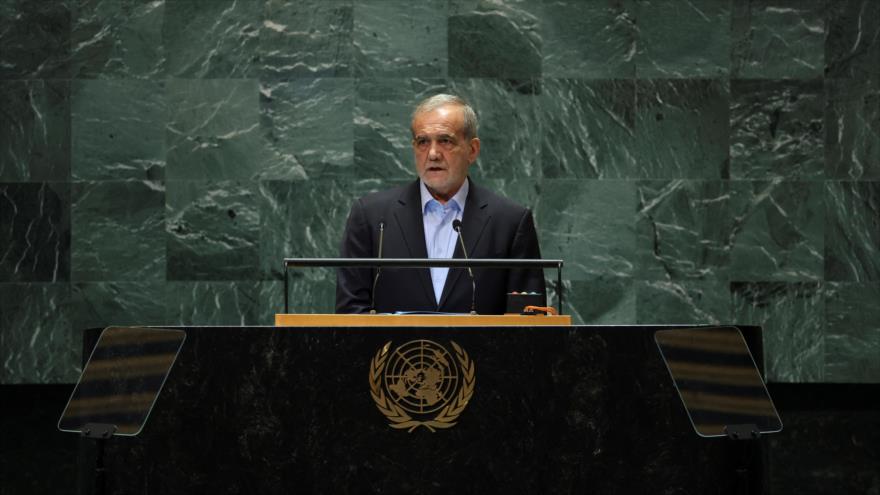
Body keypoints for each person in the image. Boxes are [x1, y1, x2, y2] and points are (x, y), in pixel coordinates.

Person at [335, 94, 545, 314]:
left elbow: (527, 322)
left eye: (445, 140)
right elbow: (350, 313)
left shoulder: (510, 222)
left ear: (472, 150)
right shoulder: (371, 217)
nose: (433, 154)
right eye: (423, 142)